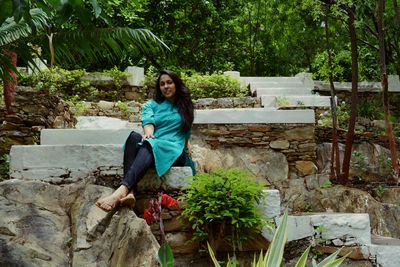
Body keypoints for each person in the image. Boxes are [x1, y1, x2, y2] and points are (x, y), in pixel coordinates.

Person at [96, 70, 194, 212]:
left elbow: (186, 129)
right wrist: (148, 134)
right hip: (154, 143)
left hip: (174, 151)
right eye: (162, 84)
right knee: (133, 137)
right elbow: (148, 122)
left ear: (176, 84)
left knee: (150, 143)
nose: (166, 86)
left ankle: (121, 191)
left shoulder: (185, 106)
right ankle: (130, 193)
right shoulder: (152, 105)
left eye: (169, 82)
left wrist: (187, 145)